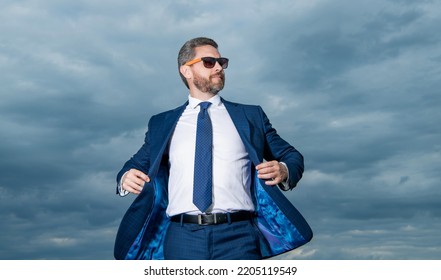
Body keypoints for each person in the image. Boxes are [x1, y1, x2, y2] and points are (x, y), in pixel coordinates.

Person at [114, 37, 312, 260]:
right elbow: (134, 165)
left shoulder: (250, 116)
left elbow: (291, 156)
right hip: (181, 236)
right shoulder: (162, 123)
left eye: (221, 62)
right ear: (186, 71)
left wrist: (284, 170)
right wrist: (125, 178)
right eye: (209, 62)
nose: (219, 67)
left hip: (239, 237)